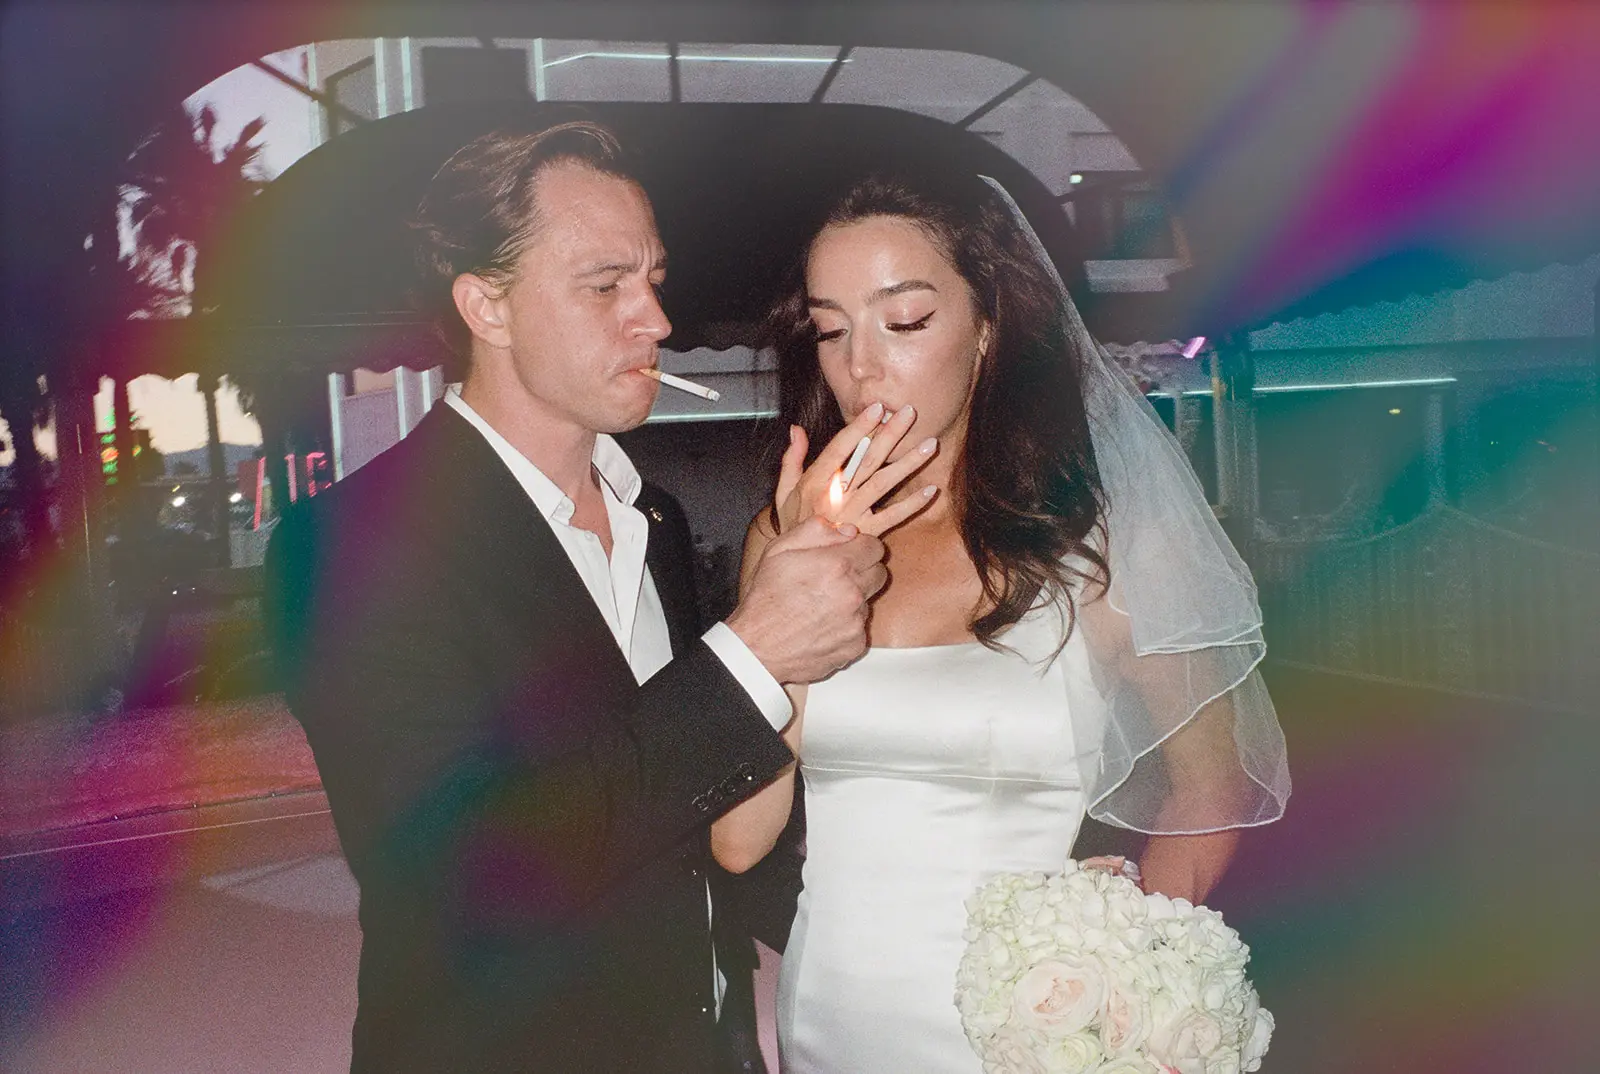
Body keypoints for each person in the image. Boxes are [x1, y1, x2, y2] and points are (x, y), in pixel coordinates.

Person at [263, 120, 922, 1073]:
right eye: (606, 285)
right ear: (487, 306)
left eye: (653, 279)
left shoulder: (652, 517)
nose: (655, 319)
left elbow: (692, 821)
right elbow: (466, 877)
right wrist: (756, 651)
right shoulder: (349, 546)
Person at [710, 171, 1291, 1072]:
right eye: (831, 329)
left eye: (904, 321)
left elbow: (1213, 786)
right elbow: (739, 841)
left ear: (987, 328)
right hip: (828, 1021)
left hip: (1027, 1033)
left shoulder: (1107, 545)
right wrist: (799, 572)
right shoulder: (783, 538)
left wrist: (1125, 977)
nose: (861, 365)